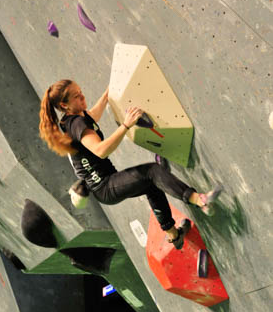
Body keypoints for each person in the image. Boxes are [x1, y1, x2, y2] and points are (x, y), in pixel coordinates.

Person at [39, 79, 222, 250]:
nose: (83, 96)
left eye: (81, 92)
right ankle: (198, 200)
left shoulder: (76, 116)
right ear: (64, 105)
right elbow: (101, 150)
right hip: (105, 187)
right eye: (77, 96)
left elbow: (93, 116)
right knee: (152, 172)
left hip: (106, 183)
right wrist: (126, 125)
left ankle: (174, 235)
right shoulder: (75, 124)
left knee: (152, 185)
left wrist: (109, 92)